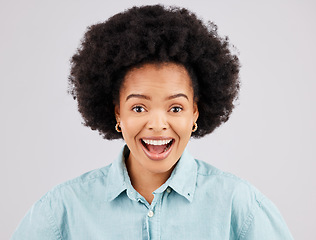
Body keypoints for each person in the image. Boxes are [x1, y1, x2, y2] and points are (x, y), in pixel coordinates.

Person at [11, 5, 294, 240]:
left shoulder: (240, 207)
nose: (157, 124)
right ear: (117, 114)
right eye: (138, 107)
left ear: (195, 113)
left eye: (175, 107)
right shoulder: (63, 210)